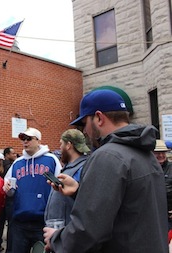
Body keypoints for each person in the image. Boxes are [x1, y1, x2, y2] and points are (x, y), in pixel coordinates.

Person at [43, 89, 168, 253]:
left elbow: (88, 230)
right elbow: (128, 208)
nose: (85, 131)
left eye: (85, 123)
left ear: (99, 118)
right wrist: (79, 191)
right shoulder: (145, 154)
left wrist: (56, 239)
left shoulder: (108, 155)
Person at [3, 128, 62, 253]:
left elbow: (60, 187)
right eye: (23, 139)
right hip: (20, 222)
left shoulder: (51, 159)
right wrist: (7, 188)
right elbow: (9, 187)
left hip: (43, 222)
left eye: (29, 139)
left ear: (38, 140)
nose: (25, 142)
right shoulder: (17, 163)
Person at [44, 129, 90, 225]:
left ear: (68, 145)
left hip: (67, 231)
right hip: (59, 229)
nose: (60, 148)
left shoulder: (83, 167)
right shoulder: (69, 167)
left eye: (61, 144)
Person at [153, 139, 172, 229]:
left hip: (169, 216)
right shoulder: (146, 168)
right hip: (154, 215)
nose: (161, 155)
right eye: (157, 152)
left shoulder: (171, 168)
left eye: (163, 152)